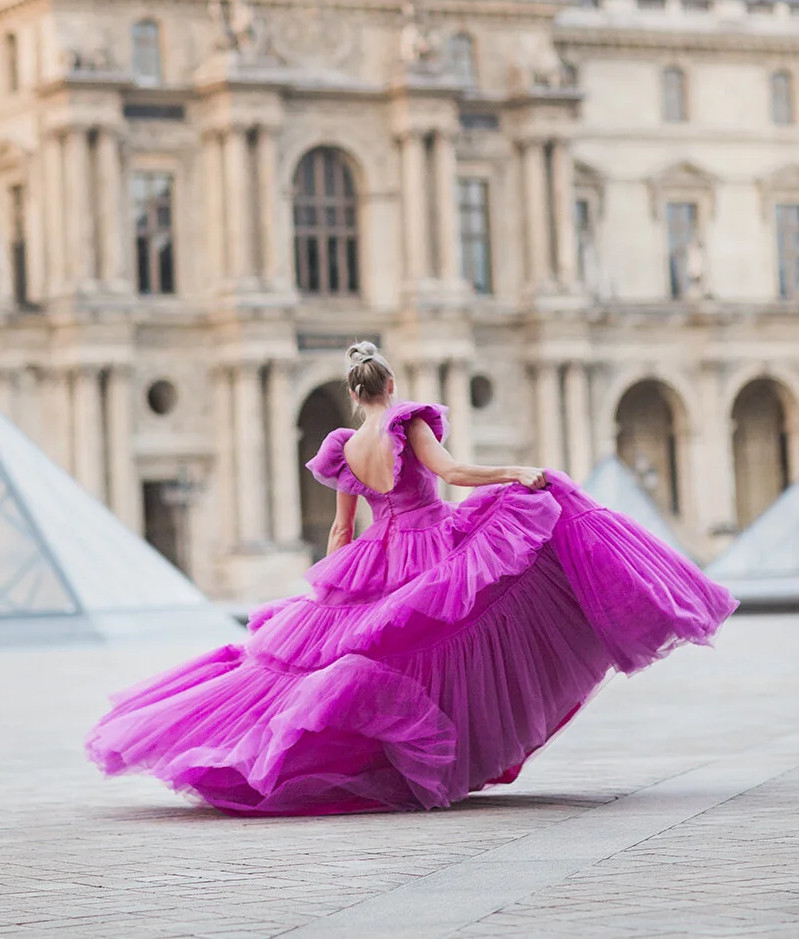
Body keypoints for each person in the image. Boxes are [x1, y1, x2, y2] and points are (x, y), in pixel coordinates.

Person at [86, 342, 737, 815]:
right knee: (455, 633)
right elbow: (451, 476)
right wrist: (515, 472)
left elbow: (343, 529)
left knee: (388, 651)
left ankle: (373, 756)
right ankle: (447, 754)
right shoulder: (410, 422)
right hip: (428, 541)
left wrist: (332, 588)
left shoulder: (344, 446)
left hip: (376, 550)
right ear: (390, 383)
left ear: (354, 393)